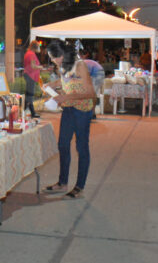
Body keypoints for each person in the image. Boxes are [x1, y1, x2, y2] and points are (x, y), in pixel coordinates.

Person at [43, 40, 96, 198]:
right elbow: (65, 79)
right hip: (68, 108)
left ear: (61, 55)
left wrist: (65, 96)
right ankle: (62, 183)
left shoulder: (79, 65)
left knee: (81, 147)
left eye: (53, 58)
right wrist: (51, 85)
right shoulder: (64, 65)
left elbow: (90, 93)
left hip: (82, 110)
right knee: (63, 145)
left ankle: (79, 186)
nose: (53, 61)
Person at [81, 51, 104, 119]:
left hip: (97, 74)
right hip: (99, 73)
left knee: (91, 93)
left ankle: (91, 112)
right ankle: (91, 112)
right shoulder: (83, 62)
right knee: (92, 93)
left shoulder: (81, 64)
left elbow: (85, 75)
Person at [23, 41, 42, 118]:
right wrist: (40, 67)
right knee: (30, 94)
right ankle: (32, 112)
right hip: (31, 75)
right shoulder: (32, 54)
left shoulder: (28, 53)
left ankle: (23, 110)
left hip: (28, 75)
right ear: (35, 47)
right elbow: (33, 66)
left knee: (29, 94)